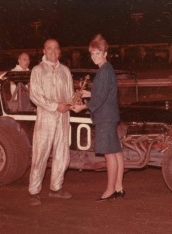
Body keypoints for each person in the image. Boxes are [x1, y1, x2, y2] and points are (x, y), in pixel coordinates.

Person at [71, 34, 125, 201]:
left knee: (109, 154)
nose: (94, 57)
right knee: (116, 153)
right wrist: (89, 93)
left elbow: (100, 98)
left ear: (105, 53)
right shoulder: (107, 69)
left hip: (105, 117)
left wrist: (83, 106)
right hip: (110, 116)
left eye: (97, 53)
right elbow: (103, 93)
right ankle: (119, 187)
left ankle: (110, 190)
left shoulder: (103, 71)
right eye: (92, 53)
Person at [29, 39, 74, 205]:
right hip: (46, 117)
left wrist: (73, 103)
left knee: (62, 154)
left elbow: (70, 94)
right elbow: (35, 95)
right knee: (40, 154)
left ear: (60, 51)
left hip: (63, 118)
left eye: (56, 48)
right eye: (50, 48)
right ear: (44, 50)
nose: (53, 51)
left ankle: (56, 188)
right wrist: (56, 106)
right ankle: (34, 191)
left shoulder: (65, 71)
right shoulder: (37, 70)